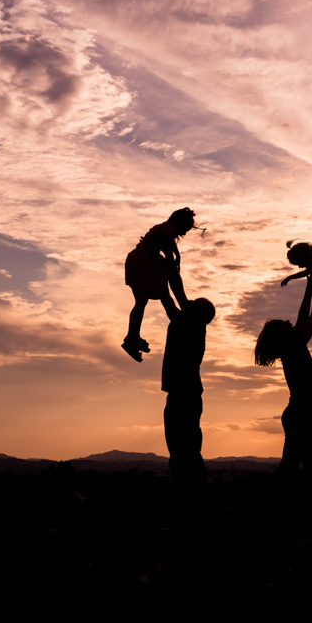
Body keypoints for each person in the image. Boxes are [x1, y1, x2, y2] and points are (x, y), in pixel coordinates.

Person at [254, 282, 312, 477]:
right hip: (299, 415)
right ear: (282, 334)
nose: (290, 322)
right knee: (294, 467)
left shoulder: (292, 346)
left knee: (305, 467)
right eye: (285, 323)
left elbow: (303, 317)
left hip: (300, 415)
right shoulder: (293, 347)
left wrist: (309, 288)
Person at [123, 207, 198, 362]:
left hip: (144, 262)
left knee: (158, 297)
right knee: (146, 300)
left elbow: (168, 248)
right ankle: (132, 337)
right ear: (179, 223)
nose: (184, 234)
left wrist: (175, 257)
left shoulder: (164, 230)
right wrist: (175, 258)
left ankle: (134, 336)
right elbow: (168, 248)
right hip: (143, 264)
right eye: (185, 230)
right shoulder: (167, 229)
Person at [160, 295, 215, 484]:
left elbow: (170, 297)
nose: (190, 303)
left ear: (200, 313)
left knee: (184, 448)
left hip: (185, 393)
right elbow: (166, 299)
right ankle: (190, 490)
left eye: (195, 304)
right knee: (181, 447)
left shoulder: (192, 324)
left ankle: (192, 491)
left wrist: (170, 273)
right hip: (182, 392)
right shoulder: (186, 322)